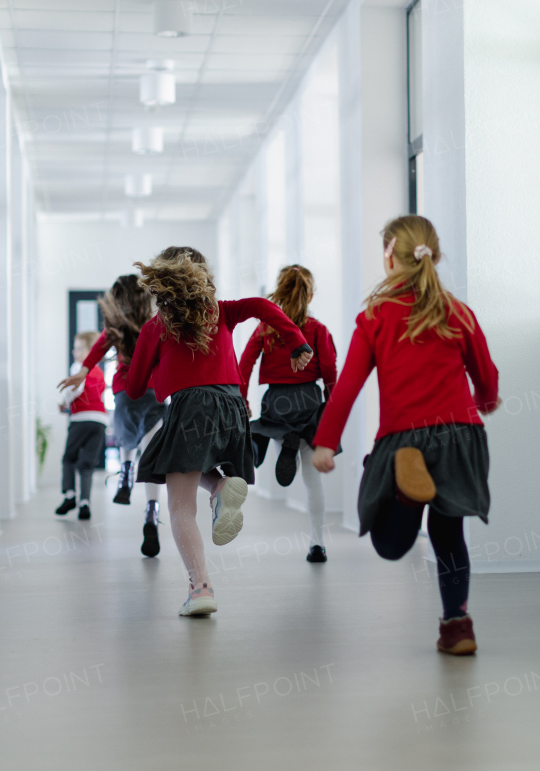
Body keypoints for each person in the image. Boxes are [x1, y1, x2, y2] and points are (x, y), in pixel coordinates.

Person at [311, 216, 500, 655]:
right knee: (449, 536)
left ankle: (405, 498)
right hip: (460, 435)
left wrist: (326, 441)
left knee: (390, 544)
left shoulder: (375, 316)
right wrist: (486, 401)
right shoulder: (457, 311)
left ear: (389, 256)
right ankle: (458, 627)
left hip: (405, 440)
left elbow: (347, 388)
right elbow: (485, 374)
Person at [127, 247, 313, 617]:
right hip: (231, 407)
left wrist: (156, 368)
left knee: (179, 507)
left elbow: (133, 389)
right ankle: (221, 486)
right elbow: (262, 305)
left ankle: (201, 588)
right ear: (203, 276)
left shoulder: (157, 326)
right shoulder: (222, 310)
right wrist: (298, 342)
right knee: (189, 462)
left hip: (191, 407)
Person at [59, 268, 193, 557]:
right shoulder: (158, 324)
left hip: (124, 391)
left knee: (125, 438)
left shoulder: (117, 325)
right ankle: (151, 511)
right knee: (152, 449)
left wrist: (83, 371)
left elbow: (97, 348)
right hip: (154, 391)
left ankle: (125, 472)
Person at [239, 265, 339, 563]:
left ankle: (269, 440)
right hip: (309, 400)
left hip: (276, 402)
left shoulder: (265, 329)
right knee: (312, 479)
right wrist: (331, 405)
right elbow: (331, 370)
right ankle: (317, 544)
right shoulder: (318, 329)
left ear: (279, 291)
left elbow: (244, 365)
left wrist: (243, 401)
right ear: (310, 294)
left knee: (269, 427)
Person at [56, 330, 109, 521]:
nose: (74, 352)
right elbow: (100, 395)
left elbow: (75, 388)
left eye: (78, 348)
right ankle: (84, 502)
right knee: (87, 464)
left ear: (90, 352)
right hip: (100, 421)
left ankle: (69, 495)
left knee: (68, 458)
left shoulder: (78, 367)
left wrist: (64, 402)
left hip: (81, 419)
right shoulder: (100, 372)